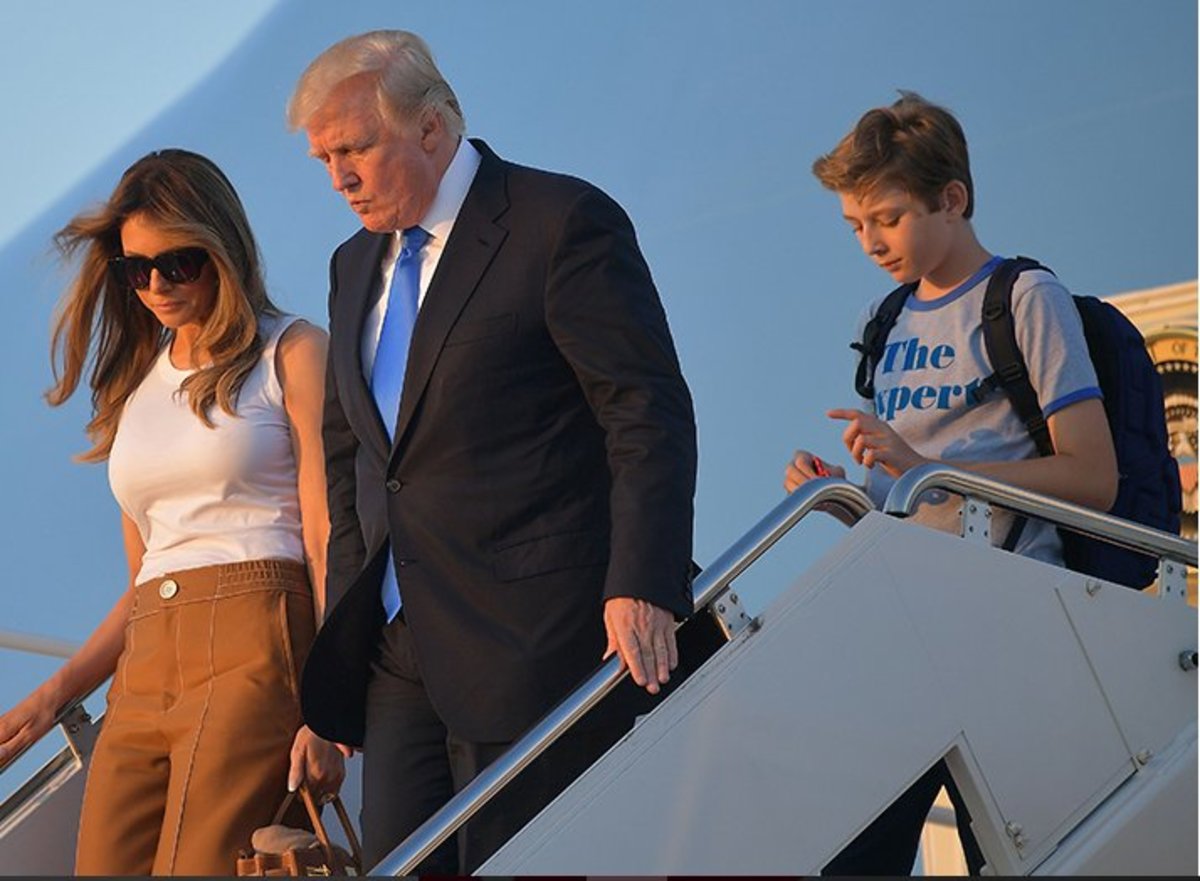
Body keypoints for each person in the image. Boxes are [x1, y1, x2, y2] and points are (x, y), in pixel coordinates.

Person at [286, 30, 698, 874]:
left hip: (534, 638)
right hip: (400, 658)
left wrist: (641, 581)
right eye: (324, 158)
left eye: (356, 148)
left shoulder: (559, 222)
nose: (340, 177)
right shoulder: (350, 264)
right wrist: (347, 642)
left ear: (432, 128)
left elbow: (645, 411)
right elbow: (354, 465)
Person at [784, 92, 1119, 875]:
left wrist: (926, 466)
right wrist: (838, 492)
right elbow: (900, 498)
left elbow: (1094, 476)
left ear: (953, 199)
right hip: (908, 616)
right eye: (854, 226)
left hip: (1013, 620)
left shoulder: (1026, 298)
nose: (870, 242)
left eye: (888, 218)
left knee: (1006, 854)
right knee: (851, 857)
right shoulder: (886, 320)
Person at [0, 149, 347, 875]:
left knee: (199, 865)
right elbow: (146, 578)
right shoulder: (134, 388)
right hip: (147, 663)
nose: (155, 285)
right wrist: (54, 696)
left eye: (178, 263)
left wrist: (329, 703)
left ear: (222, 249)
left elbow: (323, 534)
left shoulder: (292, 352)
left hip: (256, 639)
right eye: (136, 269)